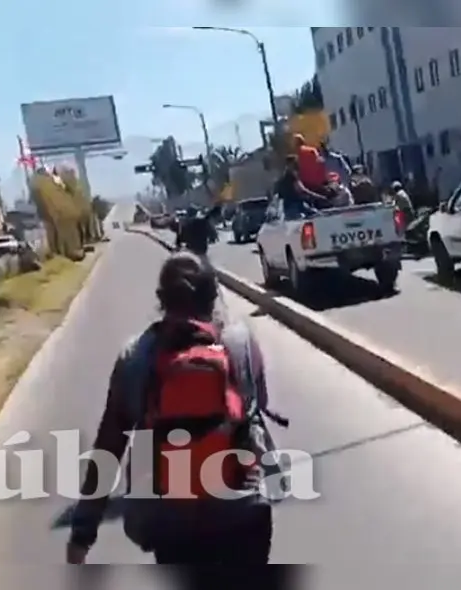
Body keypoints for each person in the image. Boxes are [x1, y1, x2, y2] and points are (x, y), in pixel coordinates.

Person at [66, 252, 283, 565]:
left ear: (161, 300)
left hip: (171, 523)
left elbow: (108, 450)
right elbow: (256, 407)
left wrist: (82, 535)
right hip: (243, 512)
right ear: (213, 297)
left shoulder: (135, 357)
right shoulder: (241, 342)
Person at [276, 155, 332, 219]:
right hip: (294, 208)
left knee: (316, 214)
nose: (296, 164)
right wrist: (319, 197)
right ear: (290, 164)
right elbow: (302, 189)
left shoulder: (284, 177)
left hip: (292, 207)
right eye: (295, 162)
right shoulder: (291, 176)